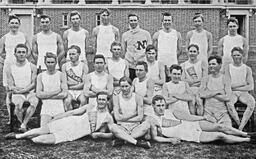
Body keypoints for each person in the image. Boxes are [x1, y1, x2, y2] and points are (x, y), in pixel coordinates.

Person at [5, 92, 114, 144]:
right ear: (97, 99)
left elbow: (113, 133)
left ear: (107, 101)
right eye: (99, 99)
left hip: (74, 132)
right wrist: (57, 117)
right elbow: (71, 113)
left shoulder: (108, 117)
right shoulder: (90, 106)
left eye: (103, 100)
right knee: (41, 130)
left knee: (39, 140)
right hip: (70, 122)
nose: (101, 102)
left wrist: (100, 134)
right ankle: (17, 136)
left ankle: (29, 135)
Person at [148, 95, 256, 144]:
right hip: (189, 134)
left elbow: (188, 117)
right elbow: (155, 137)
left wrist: (204, 117)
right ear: (153, 106)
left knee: (220, 126)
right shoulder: (153, 119)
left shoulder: (170, 111)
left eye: (163, 105)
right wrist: (169, 140)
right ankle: (247, 140)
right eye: (158, 106)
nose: (161, 107)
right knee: (220, 135)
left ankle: (245, 134)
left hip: (193, 125)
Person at [0, 15, 30, 123]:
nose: (14, 25)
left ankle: (20, 112)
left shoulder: (24, 36)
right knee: (9, 91)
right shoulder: (4, 37)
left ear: (19, 25)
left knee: (21, 87)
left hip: (21, 65)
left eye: (16, 23)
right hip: (9, 64)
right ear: (8, 24)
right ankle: (10, 117)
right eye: (12, 23)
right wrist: (4, 62)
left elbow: (29, 50)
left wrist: (24, 60)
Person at [110, 77, 151, 149]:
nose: (124, 88)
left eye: (126, 86)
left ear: (131, 86)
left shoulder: (138, 97)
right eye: (122, 86)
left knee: (147, 125)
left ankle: (123, 140)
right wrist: (134, 114)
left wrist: (123, 119)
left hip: (135, 127)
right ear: (120, 87)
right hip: (122, 127)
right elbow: (116, 118)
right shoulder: (116, 97)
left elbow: (140, 118)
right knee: (112, 127)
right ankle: (137, 142)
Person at [6, 44, 38, 132]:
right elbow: (11, 85)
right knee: (17, 106)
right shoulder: (10, 68)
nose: (21, 54)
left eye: (23, 52)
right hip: (17, 93)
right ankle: (23, 124)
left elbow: (33, 83)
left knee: (34, 103)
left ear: (27, 54)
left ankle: (23, 125)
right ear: (15, 54)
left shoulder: (32, 66)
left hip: (30, 92)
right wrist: (21, 90)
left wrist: (25, 90)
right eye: (19, 52)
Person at [225, 47, 255, 130]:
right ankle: (239, 124)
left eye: (238, 55)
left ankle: (241, 127)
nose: (236, 57)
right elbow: (228, 85)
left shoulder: (247, 69)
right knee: (229, 103)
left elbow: (250, 86)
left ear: (242, 55)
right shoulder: (228, 67)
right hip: (232, 93)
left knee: (252, 103)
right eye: (234, 55)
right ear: (231, 56)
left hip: (244, 93)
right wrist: (242, 85)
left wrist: (236, 87)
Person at [199, 55, 232, 127]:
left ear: (220, 65)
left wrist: (209, 93)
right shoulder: (206, 78)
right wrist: (218, 92)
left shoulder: (225, 78)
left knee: (227, 129)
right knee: (213, 132)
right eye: (210, 64)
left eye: (213, 64)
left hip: (222, 113)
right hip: (209, 113)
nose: (211, 66)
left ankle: (245, 135)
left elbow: (228, 97)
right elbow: (201, 94)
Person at [36, 52, 68, 126]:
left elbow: (64, 94)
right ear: (45, 63)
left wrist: (46, 95)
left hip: (58, 105)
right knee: (44, 129)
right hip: (46, 106)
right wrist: (56, 92)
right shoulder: (40, 76)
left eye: (52, 62)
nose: (50, 64)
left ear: (56, 63)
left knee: (59, 130)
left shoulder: (61, 75)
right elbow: (39, 94)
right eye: (48, 62)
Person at [122, 13, 152, 81]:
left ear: (138, 21)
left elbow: (149, 49)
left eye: (135, 20)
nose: (133, 22)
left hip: (142, 64)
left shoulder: (146, 34)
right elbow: (123, 50)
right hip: (130, 65)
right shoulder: (125, 35)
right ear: (128, 22)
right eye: (131, 20)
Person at [152, 12, 182, 79]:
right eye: (165, 20)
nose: (167, 22)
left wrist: (173, 58)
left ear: (172, 21)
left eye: (169, 20)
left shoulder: (177, 34)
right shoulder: (157, 34)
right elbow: (154, 50)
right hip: (161, 65)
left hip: (173, 64)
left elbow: (180, 50)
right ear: (162, 21)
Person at [181, 44, 207, 115]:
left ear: (198, 53)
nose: (192, 53)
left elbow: (204, 78)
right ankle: (194, 121)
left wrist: (199, 89)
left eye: (194, 51)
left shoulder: (202, 63)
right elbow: (183, 80)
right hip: (189, 89)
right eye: (190, 51)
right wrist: (196, 81)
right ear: (188, 52)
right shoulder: (183, 65)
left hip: (200, 88)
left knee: (199, 102)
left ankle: (200, 120)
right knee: (192, 102)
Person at [62, 45, 88, 110]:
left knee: (83, 101)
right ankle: (70, 118)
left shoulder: (84, 66)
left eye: (73, 54)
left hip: (80, 91)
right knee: (67, 102)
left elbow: (84, 83)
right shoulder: (65, 66)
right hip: (69, 91)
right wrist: (77, 83)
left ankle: (80, 118)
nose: (71, 56)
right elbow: (64, 82)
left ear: (79, 54)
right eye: (70, 54)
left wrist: (71, 84)